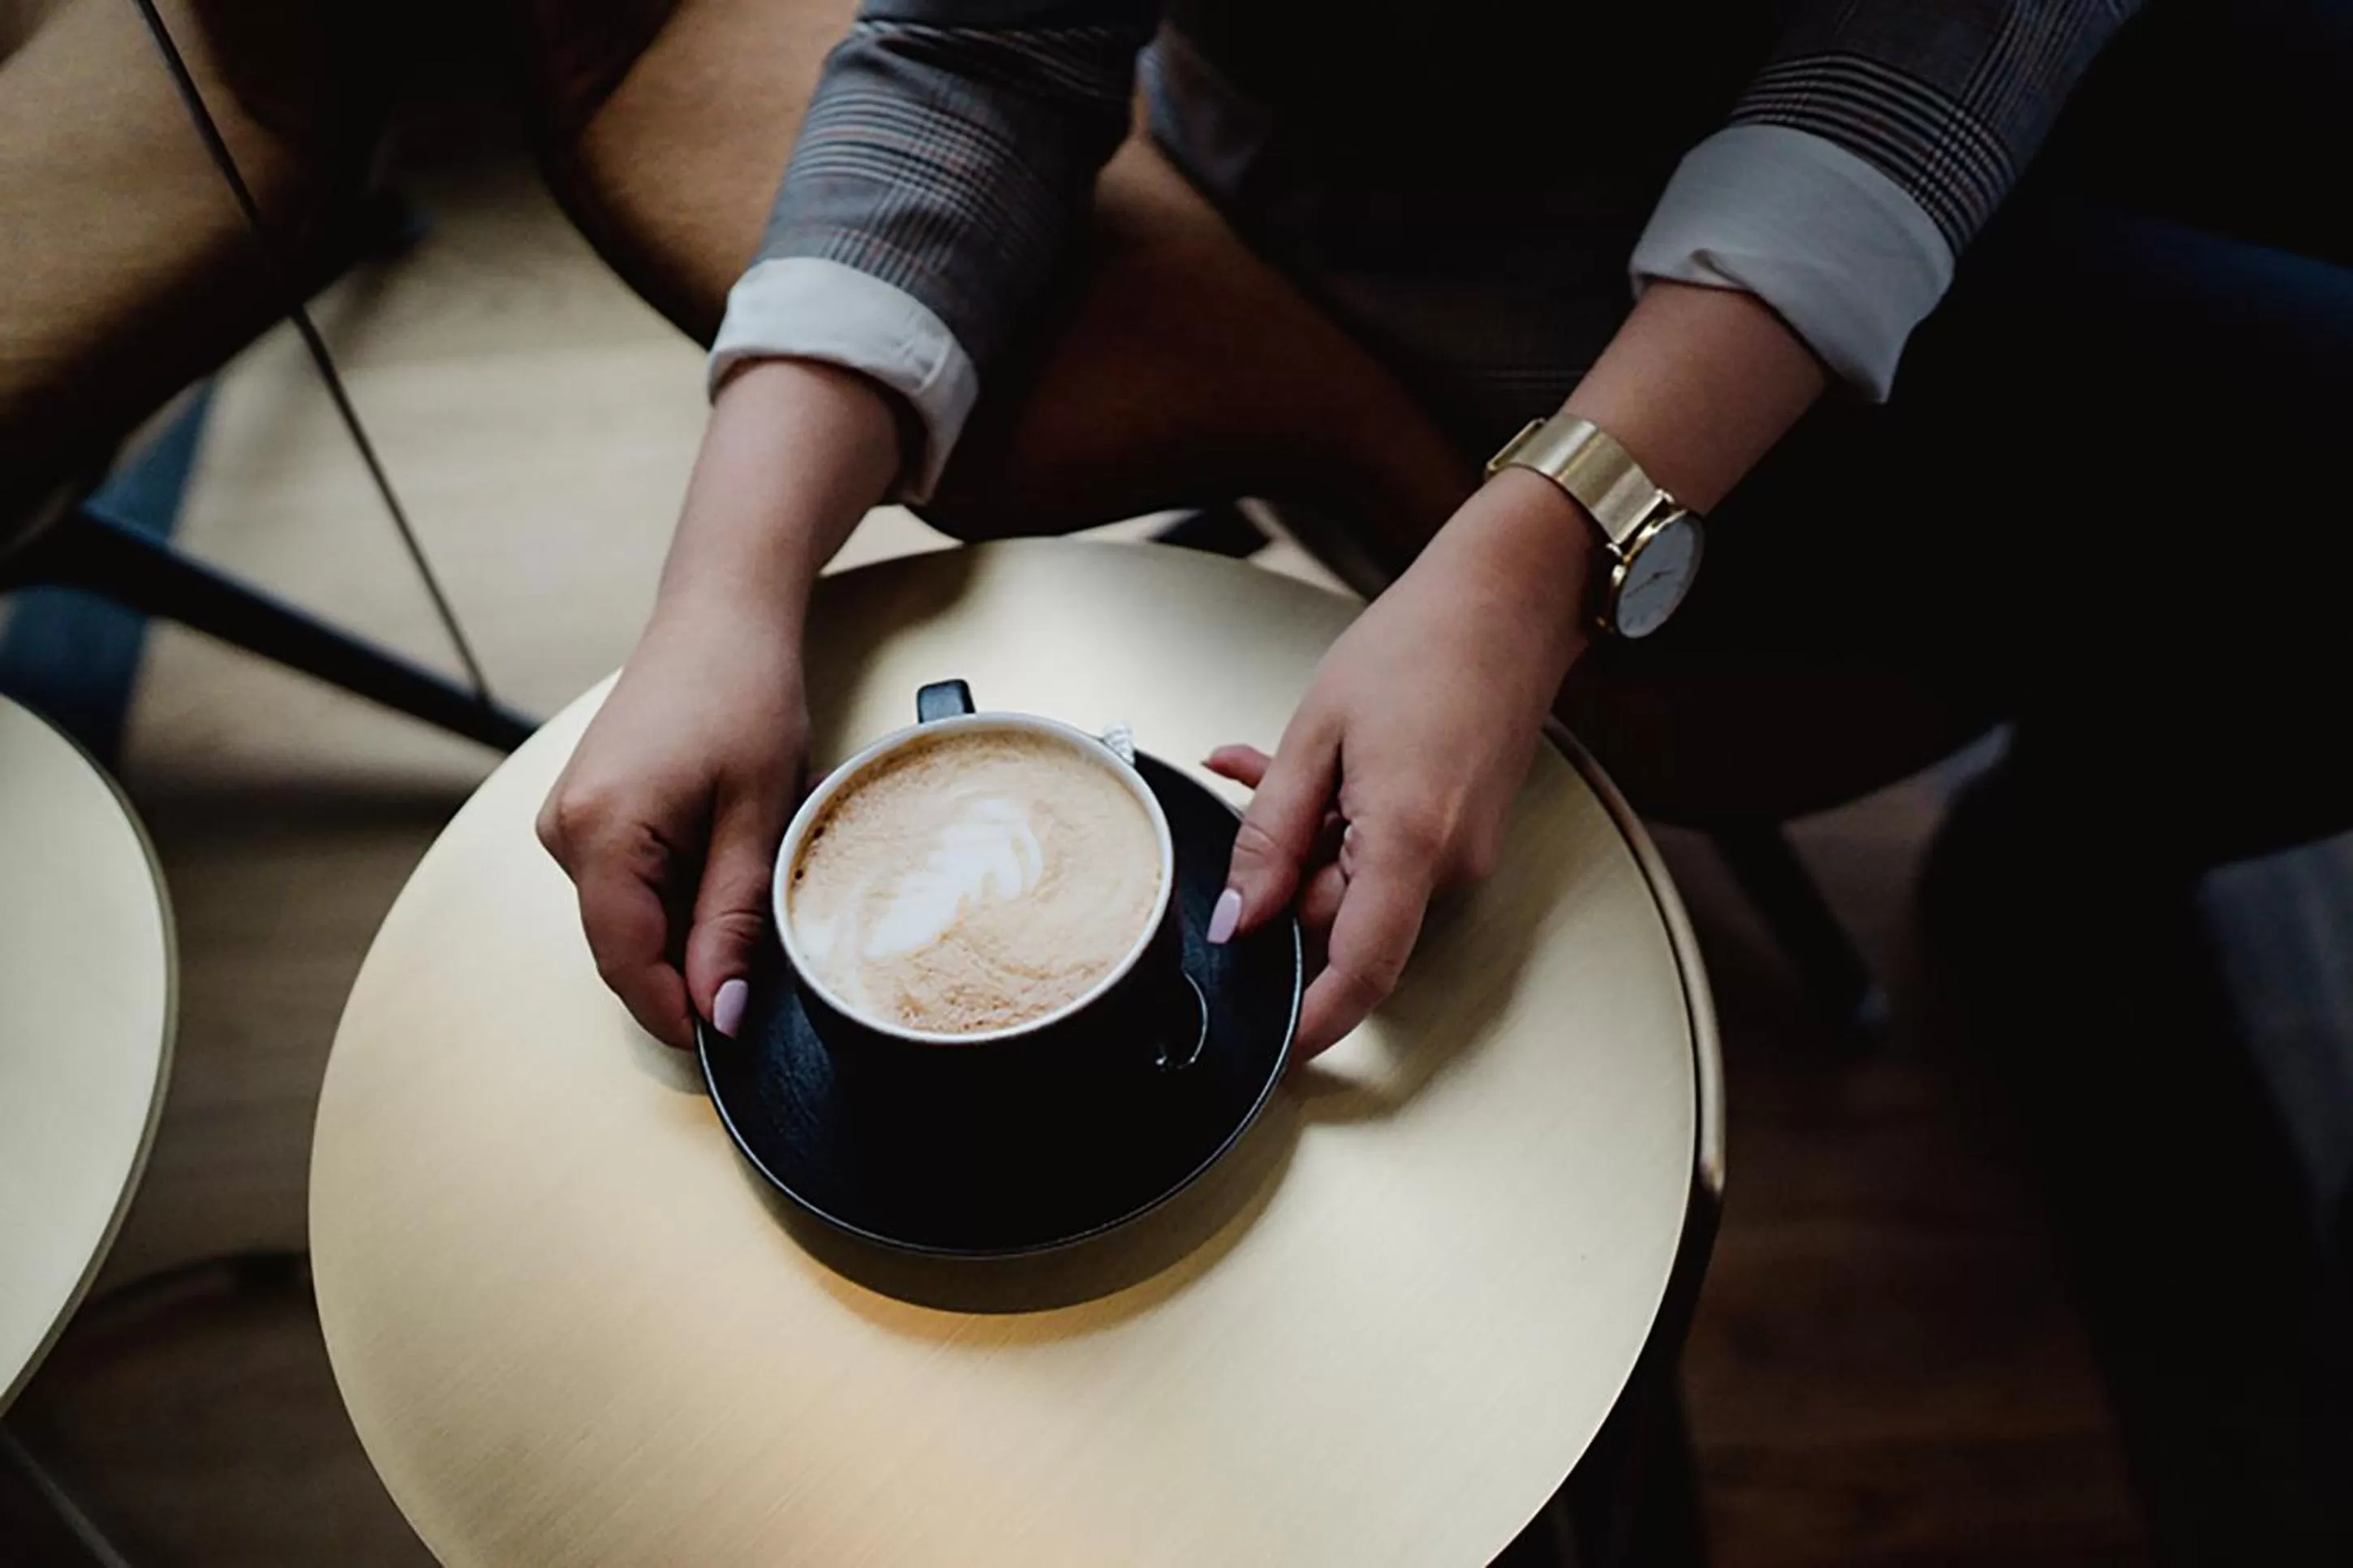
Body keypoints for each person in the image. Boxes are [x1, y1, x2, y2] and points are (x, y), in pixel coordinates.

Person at [535, 0, 2353, 1062]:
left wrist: (1534, 550)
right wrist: (724, 595)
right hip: (1480, 197)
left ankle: (2095, 812)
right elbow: (981, 47)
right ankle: (2060, 869)